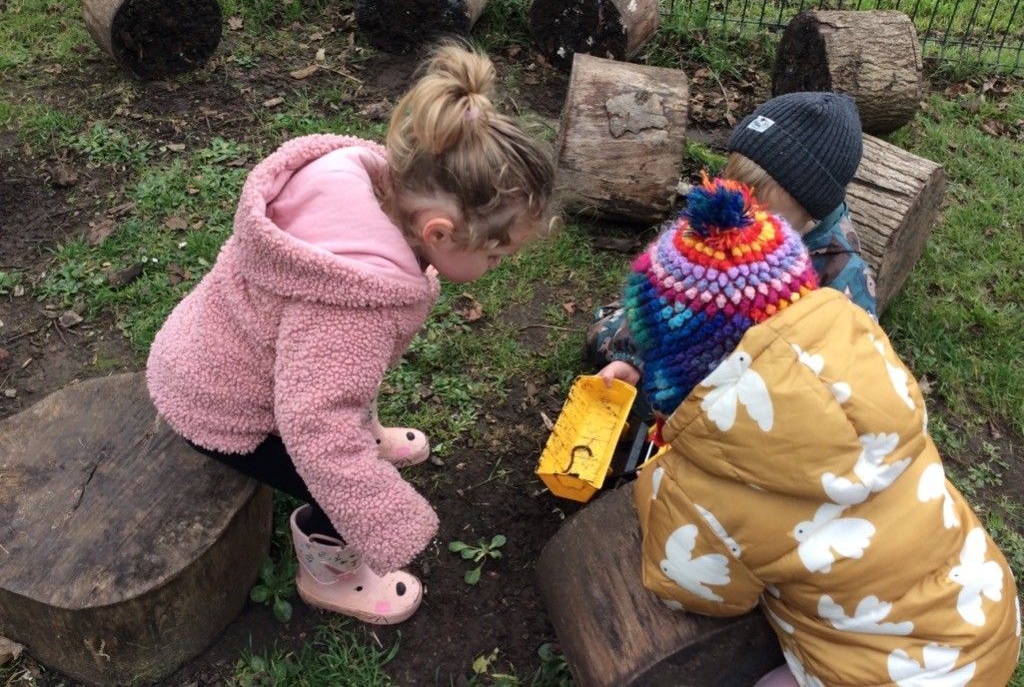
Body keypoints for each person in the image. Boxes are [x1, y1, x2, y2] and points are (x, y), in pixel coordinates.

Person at [145, 43, 556, 625]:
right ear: (437, 233)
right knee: (338, 486)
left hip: (215, 353)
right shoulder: (349, 308)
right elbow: (317, 430)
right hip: (220, 405)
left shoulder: (360, 192)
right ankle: (327, 574)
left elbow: (334, 378)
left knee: (339, 397)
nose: (498, 268)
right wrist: (384, 514)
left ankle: (361, 449)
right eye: (496, 255)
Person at [618, 178, 1020, 686]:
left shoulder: (705, 494)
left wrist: (658, 489)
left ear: (677, 368)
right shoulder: (867, 366)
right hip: (985, 614)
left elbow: (690, 586)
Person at [586, 91, 876, 390]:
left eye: (761, 214)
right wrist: (634, 358)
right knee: (605, 336)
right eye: (736, 197)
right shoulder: (726, 214)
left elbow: (849, 382)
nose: (740, 222)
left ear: (810, 214)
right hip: (704, 327)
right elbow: (666, 292)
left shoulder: (842, 275)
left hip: (766, 381)